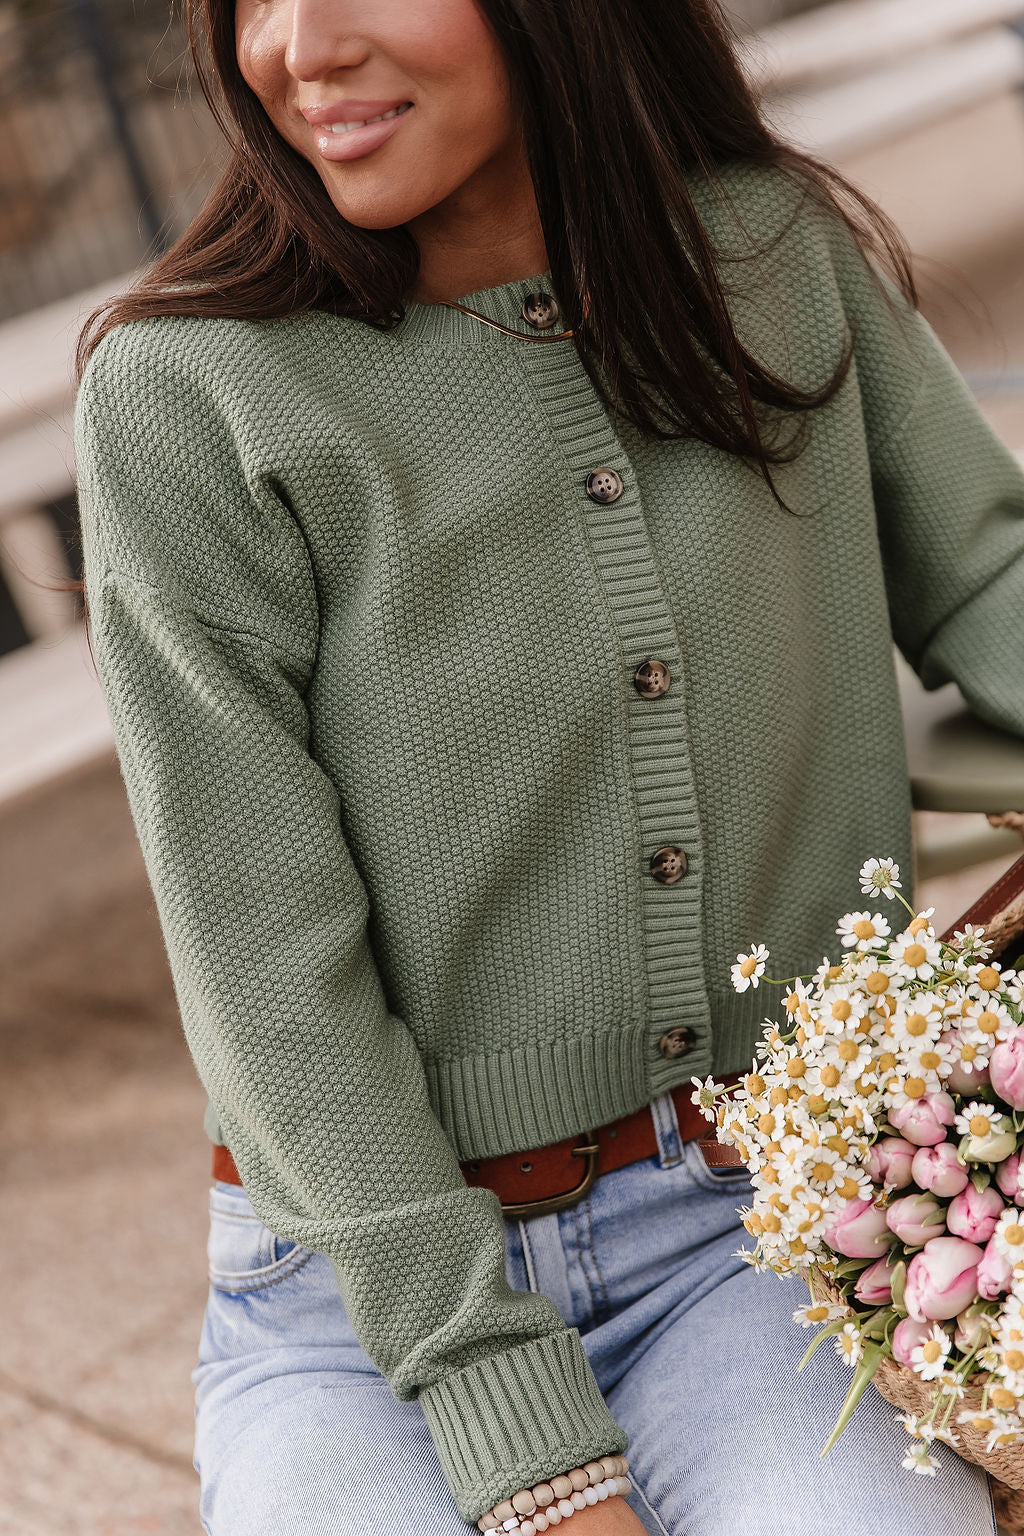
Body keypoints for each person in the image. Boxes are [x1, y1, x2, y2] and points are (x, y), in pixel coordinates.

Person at [69, 0, 1024, 1532]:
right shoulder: (193, 396)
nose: (298, 47)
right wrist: (530, 1453)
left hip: (756, 1230)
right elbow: (265, 970)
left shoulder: (766, 254)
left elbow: (985, 574)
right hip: (358, 1300)